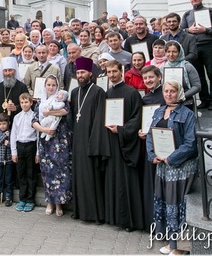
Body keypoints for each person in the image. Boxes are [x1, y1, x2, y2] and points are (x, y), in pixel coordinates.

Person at [147, 80, 198, 255]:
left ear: (179, 93)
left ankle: (179, 247)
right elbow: (150, 135)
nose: (169, 94)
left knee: (176, 205)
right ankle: (170, 242)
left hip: (180, 168)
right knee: (165, 203)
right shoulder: (159, 111)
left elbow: (191, 143)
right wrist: (152, 155)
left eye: (172, 91)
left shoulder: (188, 114)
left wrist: (172, 157)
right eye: (166, 91)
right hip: (162, 166)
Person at [103, 60, 144, 232]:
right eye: (109, 72)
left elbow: (137, 118)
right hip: (111, 143)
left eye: (114, 71)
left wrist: (121, 130)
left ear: (121, 71)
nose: (111, 75)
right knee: (112, 179)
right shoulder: (107, 93)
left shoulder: (132, 93)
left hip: (125, 143)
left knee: (125, 182)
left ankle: (128, 221)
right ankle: (113, 218)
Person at [68, 57, 108, 224]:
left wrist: (94, 143)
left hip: (91, 142)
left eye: (83, 72)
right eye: (78, 72)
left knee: (91, 179)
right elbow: (73, 116)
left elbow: (99, 119)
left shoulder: (98, 91)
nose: (80, 75)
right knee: (79, 178)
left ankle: (95, 215)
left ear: (90, 73)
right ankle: (79, 212)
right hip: (77, 141)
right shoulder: (74, 92)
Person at [32, 74, 73, 216]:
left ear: (57, 86)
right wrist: (44, 130)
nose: (51, 87)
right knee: (47, 172)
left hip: (60, 141)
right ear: (45, 86)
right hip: (46, 142)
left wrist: (50, 112)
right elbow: (34, 121)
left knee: (61, 172)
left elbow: (65, 111)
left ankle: (59, 204)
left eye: (53, 85)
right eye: (48, 85)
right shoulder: (40, 102)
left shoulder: (61, 99)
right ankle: (49, 201)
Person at [181, 0, 212, 110]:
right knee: (199, 76)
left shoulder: (210, 11)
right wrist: (189, 30)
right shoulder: (187, 14)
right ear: (190, 0)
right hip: (194, 47)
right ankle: (204, 99)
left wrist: (206, 30)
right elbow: (182, 29)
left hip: (208, 45)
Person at [139, 64, 164, 231]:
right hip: (149, 148)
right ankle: (152, 223)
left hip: (164, 148)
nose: (148, 80)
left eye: (151, 77)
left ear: (159, 77)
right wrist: (141, 131)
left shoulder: (166, 96)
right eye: (145, 78)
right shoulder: (145, 99)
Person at [11, 92, 39, 212]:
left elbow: (38, 135)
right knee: (21, 174)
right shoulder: (17, 117)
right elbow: (13, 135)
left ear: (31, 103)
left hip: (31, 146)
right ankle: (22, 198)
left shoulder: (35, 117)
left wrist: (38, 153)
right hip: (20, 146)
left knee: (30, 174)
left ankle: (30, 199)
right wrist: (14, 152)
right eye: (22, 102)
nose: (24, 104)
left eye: (26, 102)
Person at [164, 41, 201, 108]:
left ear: (180, 52)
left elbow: (197, 86)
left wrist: (182, 96)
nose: (171, 54)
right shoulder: (163, 67)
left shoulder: (188, 66)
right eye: (168, 52)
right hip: (167, 102)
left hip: (185, 102)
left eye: (174, 52)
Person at [0, 57, 29, 122]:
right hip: (0, 124)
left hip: (17, 122)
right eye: (5, 71)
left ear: (15, 71)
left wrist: (16, 108)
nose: (8, 73)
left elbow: (28, 104)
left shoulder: (22, 87)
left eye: (10, 70)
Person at [0, 113, 14, 207]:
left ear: (8, 123)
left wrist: (8, 143)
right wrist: (4, 137)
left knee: (8, 179)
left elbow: (12, 145)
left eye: (4, 124)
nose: (2, 126)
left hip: (8, 160)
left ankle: (9, 197)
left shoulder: (11, 133)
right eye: (0, 124)